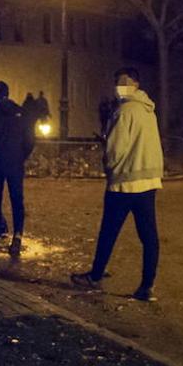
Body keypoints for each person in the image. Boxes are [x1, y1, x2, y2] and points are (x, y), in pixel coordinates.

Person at [72, 67, 164, 301]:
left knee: (109, 232)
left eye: (120, 82)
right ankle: (147, 285)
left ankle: (95, 275)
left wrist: (108, 163)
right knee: (149, 236)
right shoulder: (148, 110)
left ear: (133, 83)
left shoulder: (124, 112)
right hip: (148, 182)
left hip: (124, 184)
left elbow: (115, 150)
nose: (117, 87)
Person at [0, 80, 34, 257]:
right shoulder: (20, 112)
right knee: (17, 199)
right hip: (15, 162)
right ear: (8, 92)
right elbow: (29, 140)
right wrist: (21, 156)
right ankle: (17, 235)